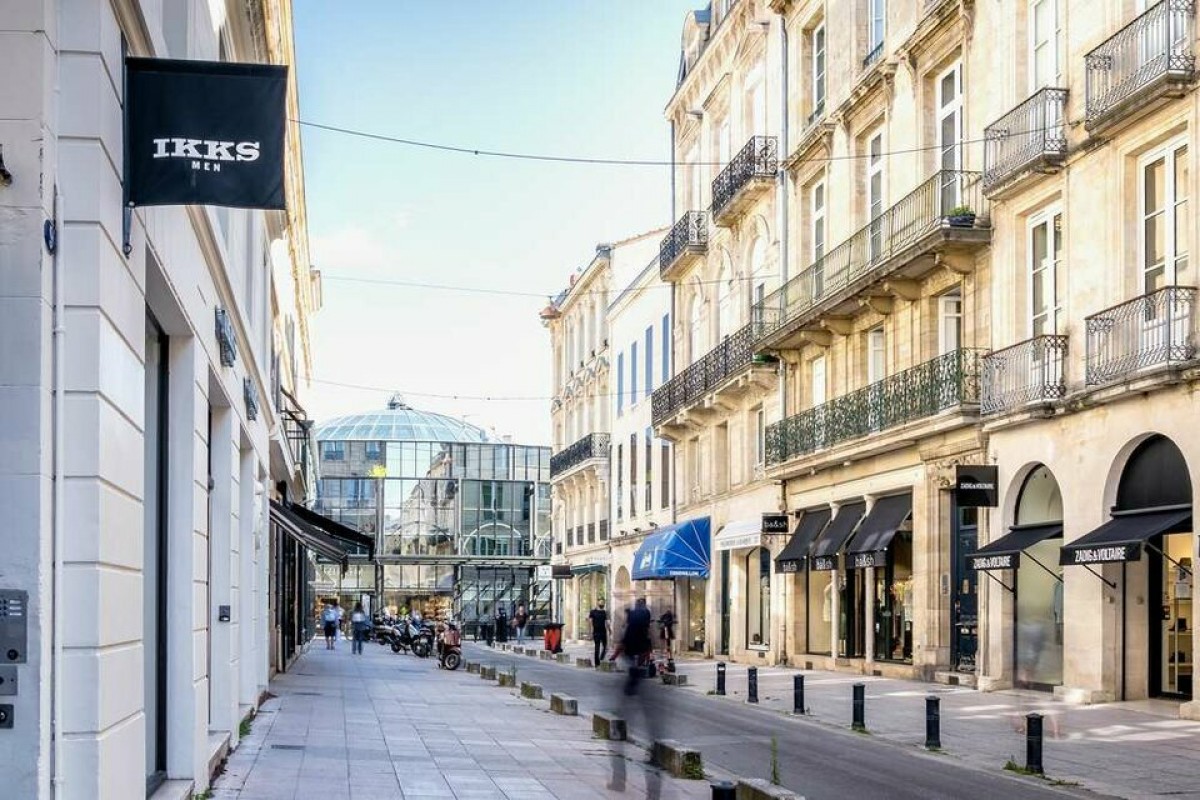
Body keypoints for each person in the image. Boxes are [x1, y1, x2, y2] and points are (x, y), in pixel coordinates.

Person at [621, 598, 653, 696]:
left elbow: (626, 625)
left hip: (630, 638)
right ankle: (637, 670)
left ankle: (634, 671)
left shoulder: (632, 613)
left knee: (629, 658)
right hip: (641, 638)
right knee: (640, 656)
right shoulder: (646, 612)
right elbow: (648, 626)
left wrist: (623, 640)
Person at [589, 599, 610, 665]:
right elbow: (590, 622)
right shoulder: (593, 612)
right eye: (601, 602)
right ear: (598, 603)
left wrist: (609, 630)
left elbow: (606, 622)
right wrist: (591, 631)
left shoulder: (603, 612)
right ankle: (598, 662)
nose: (602, 604)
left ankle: (599, 660)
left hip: (601, 632)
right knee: (598, 647)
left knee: (603, 647)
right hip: (598, 632)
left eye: (603, 602)